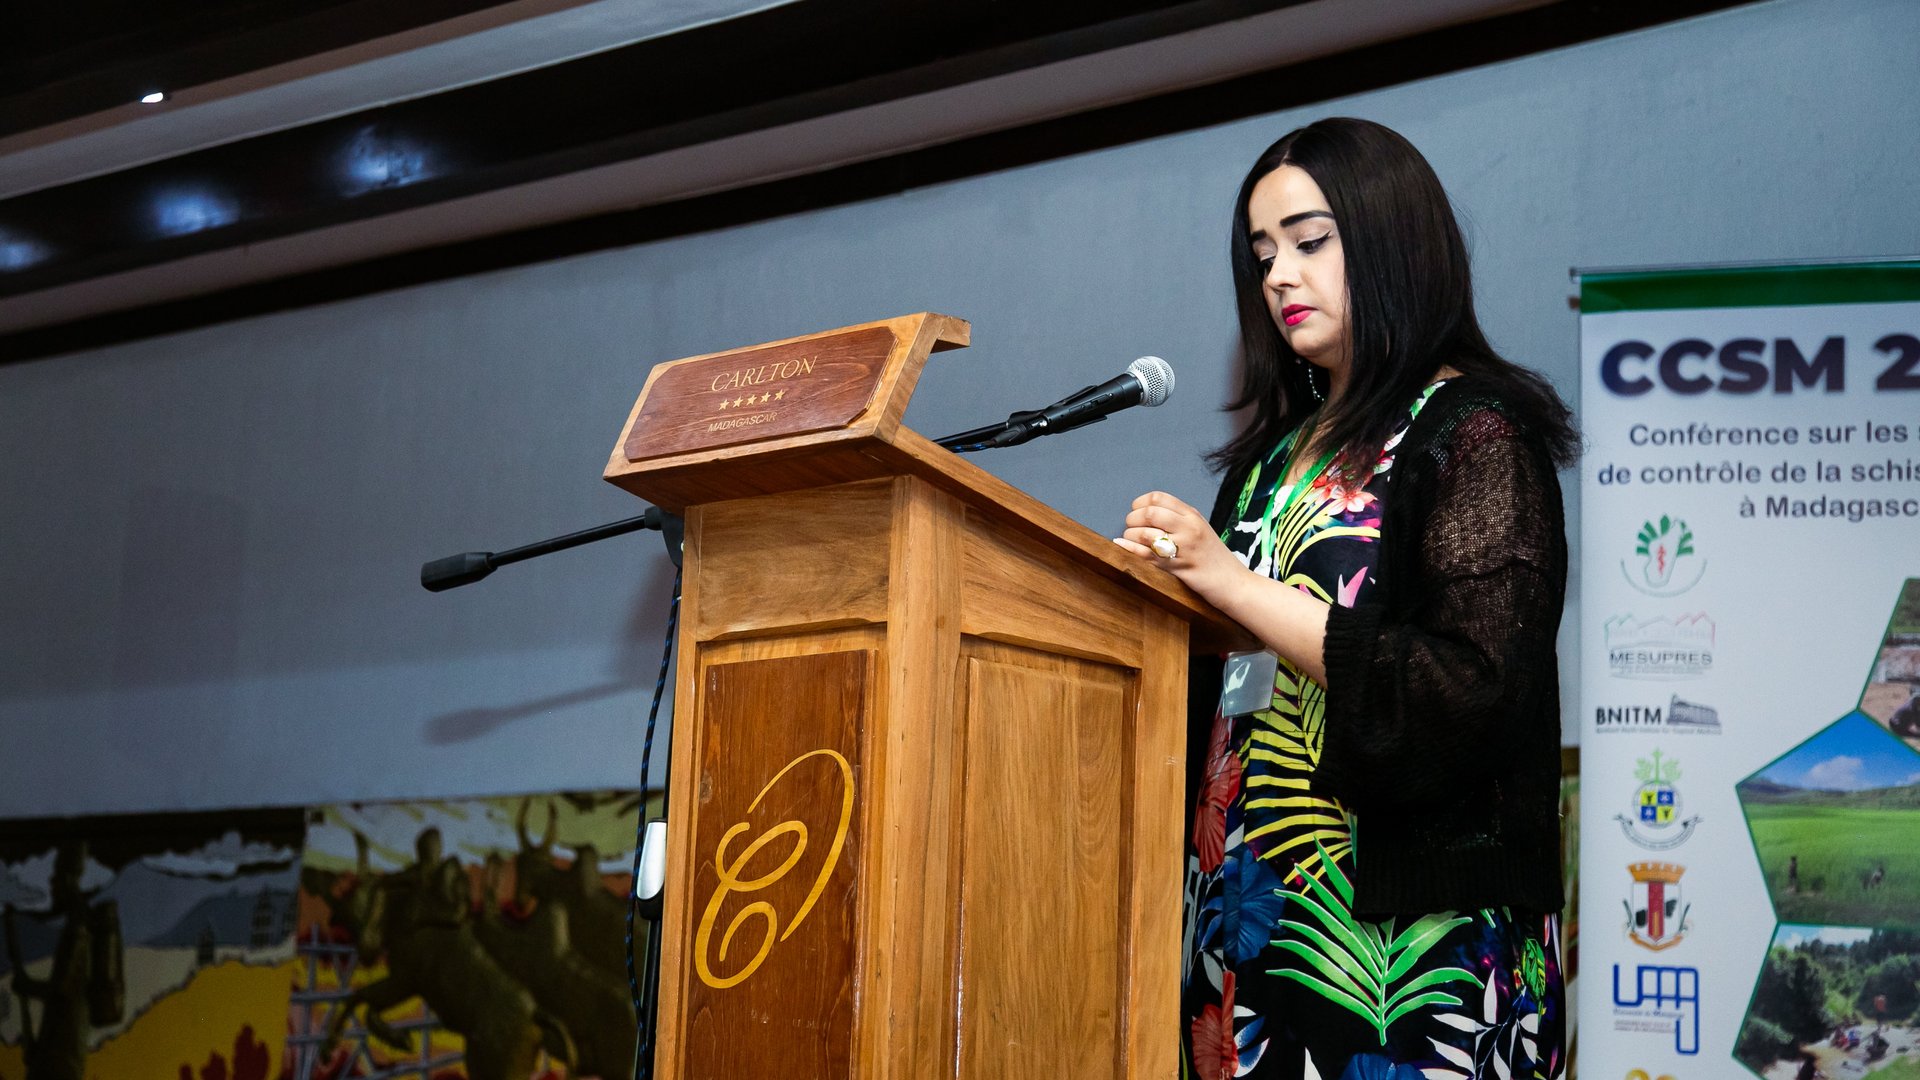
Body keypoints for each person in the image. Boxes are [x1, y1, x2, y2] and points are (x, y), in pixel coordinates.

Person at [1115, 117, 1577, 1079]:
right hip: (1241, 917)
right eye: (1262, 253)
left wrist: (1231, 582)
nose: (1280, 274)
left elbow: (1472, 687)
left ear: (1392, 239)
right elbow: (1226, 677)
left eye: (1309, 241)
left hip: (1405, 947)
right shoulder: (1266, 465)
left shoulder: (1476, 435)